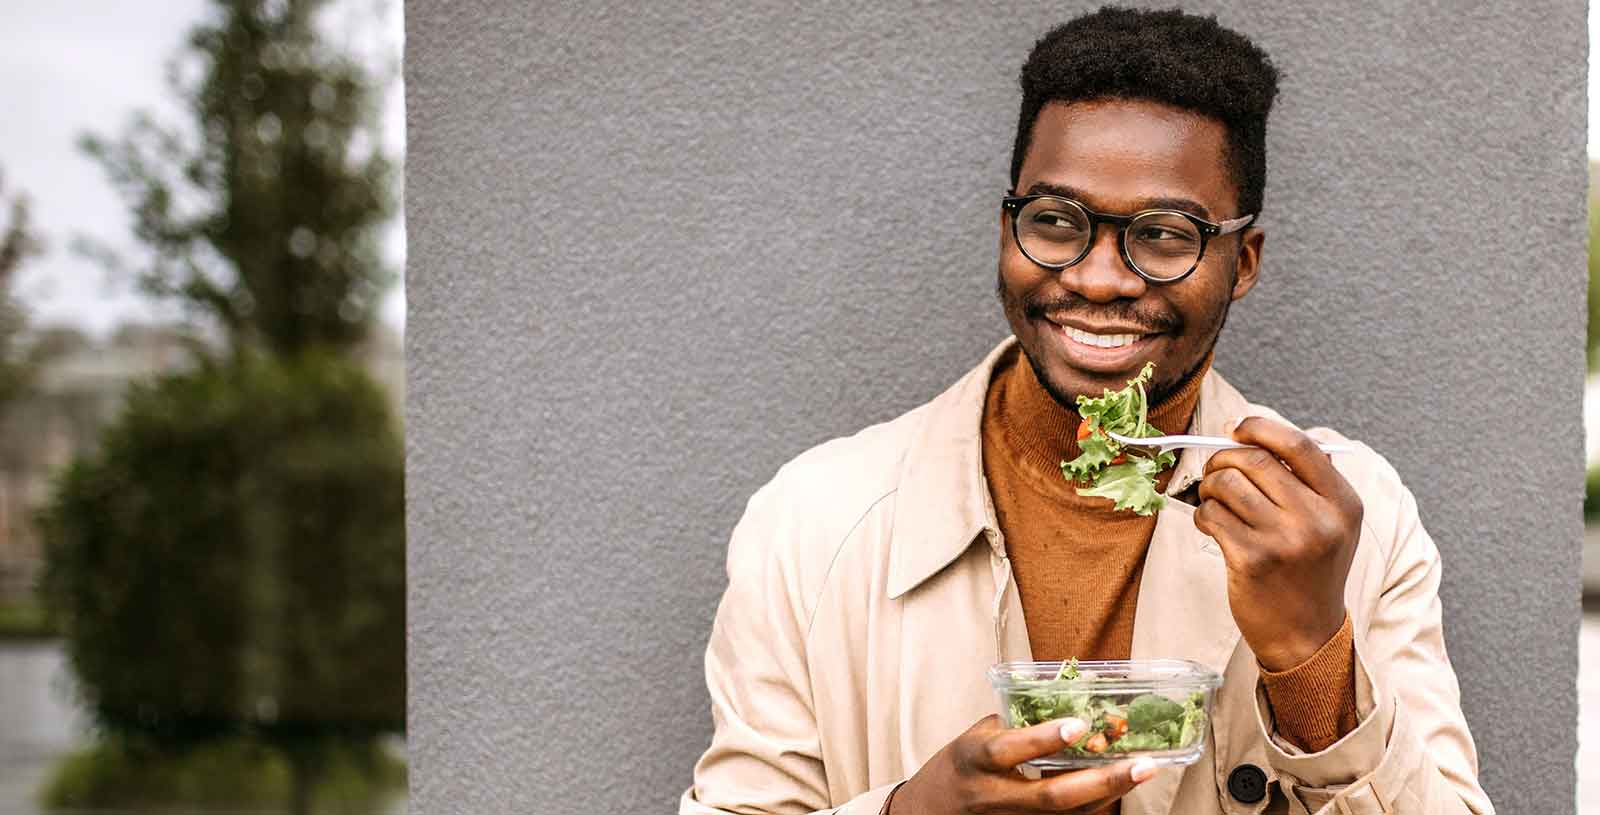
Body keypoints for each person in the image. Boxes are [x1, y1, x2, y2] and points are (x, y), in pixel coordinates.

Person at [680, 7, 1492, 814]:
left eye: (1166, 234)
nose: (1099, 278)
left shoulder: (1353, 520)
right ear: (1008, 227)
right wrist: (911, 810)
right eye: (1057, 222)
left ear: (1241, 261)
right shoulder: (814, 522)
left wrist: (1311, 652)